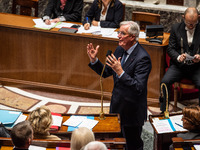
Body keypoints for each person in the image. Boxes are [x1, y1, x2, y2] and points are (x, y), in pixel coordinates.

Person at [87, 21, 152, 150]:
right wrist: (94, 60)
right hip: (116, 107)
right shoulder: (119, 50)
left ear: (132, 37)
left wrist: (120, 72)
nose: (118, 36)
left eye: (122, 33)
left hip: (132, 112)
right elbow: (106, 72)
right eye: (119, 32)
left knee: (132, 145)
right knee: (116, 143)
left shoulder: (143, 58)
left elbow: (138, 87)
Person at [160, 7, 200, 113]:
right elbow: (170, 48)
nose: (191, 26)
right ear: (183, 18)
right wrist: (178, 57)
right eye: (188, 23)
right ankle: (164, 111)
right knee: (164, 82)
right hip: (179, 66)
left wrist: (199, 56)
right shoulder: (176, 28)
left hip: (196, 67)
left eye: (194, 23)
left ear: (198, 18)